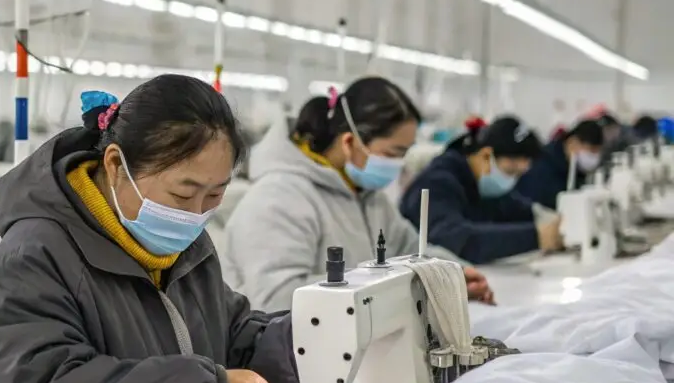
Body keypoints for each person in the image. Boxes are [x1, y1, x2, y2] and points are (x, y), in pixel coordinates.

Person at [0, 76, 304, 383]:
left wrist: (306, 342)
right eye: (183, 194)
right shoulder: (34, 256)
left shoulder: (182, 246)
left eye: (215, 195)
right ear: (116, 165)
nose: (196, 215)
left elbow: (230, 335)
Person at [223, 78, 493, 313]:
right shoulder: (278, 199)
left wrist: (452, 272)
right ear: (350, 142)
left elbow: (410, 249)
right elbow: (277, 302)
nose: (399, 165)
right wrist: (401, 291)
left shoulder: (369, 198)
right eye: (392, 153)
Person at [401, 116, 561, 264]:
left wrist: (548, 219)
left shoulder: (482, 187)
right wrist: (535, 237)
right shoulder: (438, 184)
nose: (511, 180)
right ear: (485, 156)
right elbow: (454, 240)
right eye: (510, 171)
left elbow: (515, 209)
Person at [514, 118, 605, 209]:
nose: (594, 156)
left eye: (598, 151)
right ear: (572, 143)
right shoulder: (542, 166)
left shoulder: (577, 171)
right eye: (592, 150)